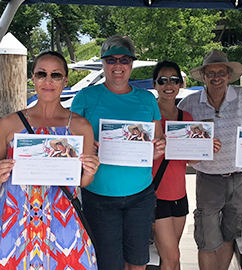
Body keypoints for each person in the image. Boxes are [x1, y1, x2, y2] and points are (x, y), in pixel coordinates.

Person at [70, 35, 165, 270]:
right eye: (111, 60)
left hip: (140, 195)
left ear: (132, 62)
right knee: (109, 264)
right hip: (98, 196)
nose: (118, 65)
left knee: (137, 262)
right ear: (103, 63)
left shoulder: (147, 99)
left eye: (125, 59)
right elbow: (70, 140)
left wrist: (156, 151)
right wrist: (83, 146)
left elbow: (158, 139)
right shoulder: (85, 97)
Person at [0, 51, 99, 269]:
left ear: (65, 80)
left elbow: (80, 182)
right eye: (41, 73)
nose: (48, 81)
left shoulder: (80, 127)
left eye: (55, 75)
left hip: (64, 223)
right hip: (17, 224)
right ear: (33, 78)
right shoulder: (8, 124)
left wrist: (90, 172)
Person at [178, 49, 242, 270]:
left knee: (229, 235)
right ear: (203, 76)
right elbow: (179, 141)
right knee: (206, 239)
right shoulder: (189, 104)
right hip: (208, 178)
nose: (216, 77)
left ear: (229, 75)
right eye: (210, 73)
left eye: (221, 72)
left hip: (240, 177)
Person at [151, 60, 221, 270]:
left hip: (179, 195)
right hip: (155, 195)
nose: (168, 85)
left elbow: (189, 160)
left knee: (172, 257)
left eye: (174, 80)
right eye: (162, 80)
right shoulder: (147, 116)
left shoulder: (186, 117)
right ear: (155, 85)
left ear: (181, 84)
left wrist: (206, 148)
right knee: (172, 257)